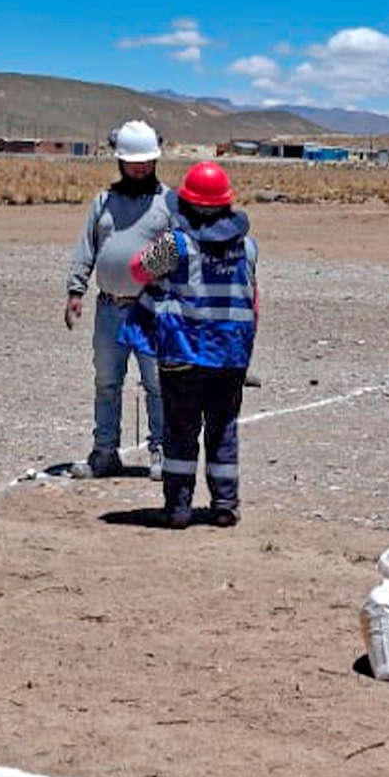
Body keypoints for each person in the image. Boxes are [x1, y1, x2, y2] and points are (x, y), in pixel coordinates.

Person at [120, 160, 258, 529]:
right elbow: (253, 300)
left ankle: (178, 507)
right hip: (231, 356)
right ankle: (225, 504)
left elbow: (137, 270)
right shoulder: (247, 245)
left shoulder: (176, 243)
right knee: (223, 430)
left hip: (183, 353)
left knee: (180, 432)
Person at [64, 120, 174, 478]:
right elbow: (87, 247)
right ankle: (105, 452)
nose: (140, 167)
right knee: (106, 382)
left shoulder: (168, 202)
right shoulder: (103, 202)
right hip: (110, 307)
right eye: (133, 162)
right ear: (120, 162)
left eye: (146, 162)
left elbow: (183, 252)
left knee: (157, 383)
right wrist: (75, 290)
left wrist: (157, 277)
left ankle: (162, 453)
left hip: (153, 308)